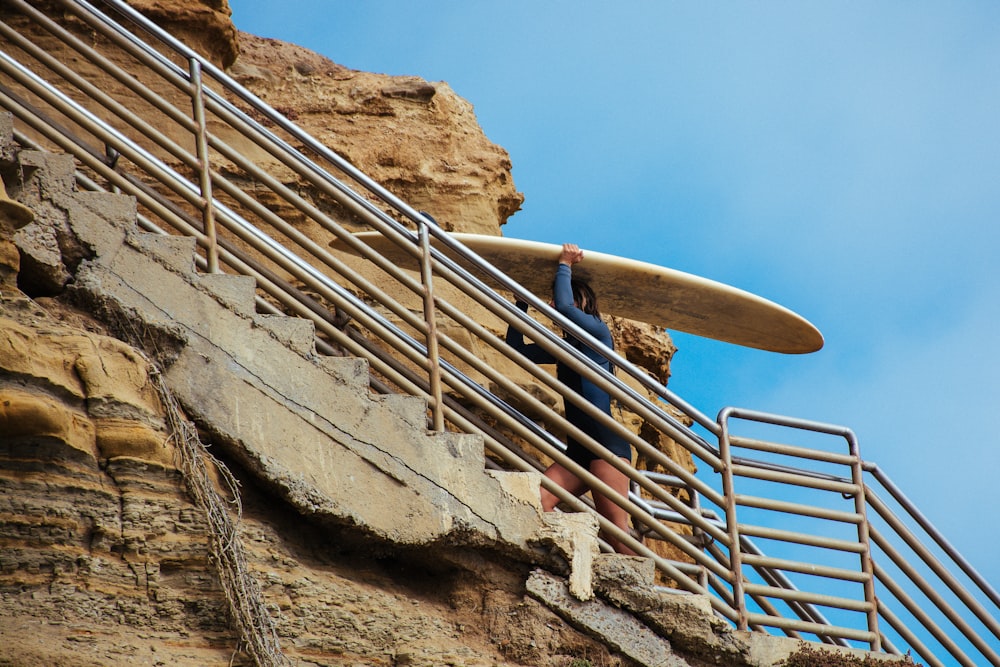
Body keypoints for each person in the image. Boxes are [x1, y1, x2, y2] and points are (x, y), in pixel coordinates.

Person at [505, 243, 637, 555]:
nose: (553, 303)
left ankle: (659, 595)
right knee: (537, 503)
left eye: (560, 296)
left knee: (618, 535)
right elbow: (517, 349)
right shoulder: (563, 347)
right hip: (578, 448)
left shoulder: (598, 335)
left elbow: (565, 310)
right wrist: (521, 305)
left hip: (605, 446)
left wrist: (564, 264)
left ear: (583, 304)